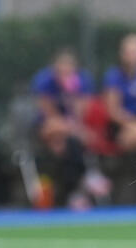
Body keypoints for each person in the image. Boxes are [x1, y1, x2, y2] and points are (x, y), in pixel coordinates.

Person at [32, 48, 96, 207]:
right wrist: (72, 128)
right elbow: (49, 115)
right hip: (47, 130)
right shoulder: (45, 82)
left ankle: (74, 192)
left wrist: (71, 95)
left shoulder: (82, 82)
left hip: (69, 133)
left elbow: (81, 115)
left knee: (66, 144)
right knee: (60, 134)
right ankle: (85, 181)